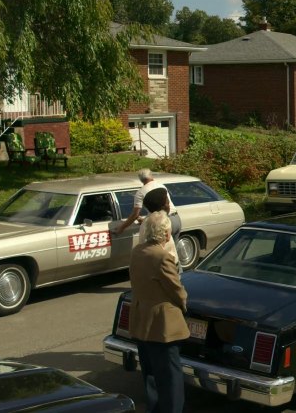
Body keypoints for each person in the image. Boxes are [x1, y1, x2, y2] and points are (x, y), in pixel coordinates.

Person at [128, 212, 188, 413]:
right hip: (163, 326)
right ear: (166, 233)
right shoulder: (162, 257)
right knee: (171, 376)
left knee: (151, 373)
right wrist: (184, 305)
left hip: (141, 320)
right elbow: (176, 289)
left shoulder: (137, 251)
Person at [114, 169, 180, 242]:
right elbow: (160, 206)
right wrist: (146, 220)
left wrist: (121, 228)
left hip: (162, 222)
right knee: (173, 250)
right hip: (176, 219)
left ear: (141, 180)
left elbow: (135, 215)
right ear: (151, 175)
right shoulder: (162, 186)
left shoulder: (140, 192)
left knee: (159, 250)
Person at [141, 188, 180, 267]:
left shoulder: (148, 221)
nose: (169, 205)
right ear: (163, 206)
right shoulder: (161, 223)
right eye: (167, 203)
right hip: (165, 265)